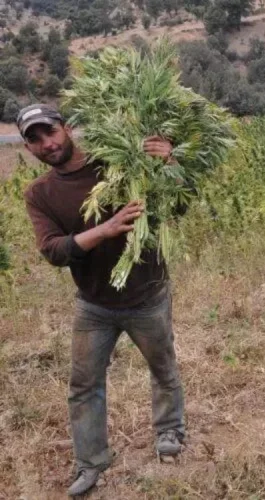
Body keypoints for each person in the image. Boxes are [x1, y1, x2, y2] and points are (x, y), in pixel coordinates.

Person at [18, 104, 186, 497]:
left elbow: (174, 205)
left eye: (50, 132)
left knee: (163, 369)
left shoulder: (117, 161)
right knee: (83, 386)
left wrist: (168, 162)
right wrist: (106, 229)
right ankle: (91, 462)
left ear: (67, 127)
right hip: (93, 304)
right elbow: (54, 251)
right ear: (28, 148)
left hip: (147, 293)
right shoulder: (40, 194)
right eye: (35, 139)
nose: (47, 143)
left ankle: (169, 432)